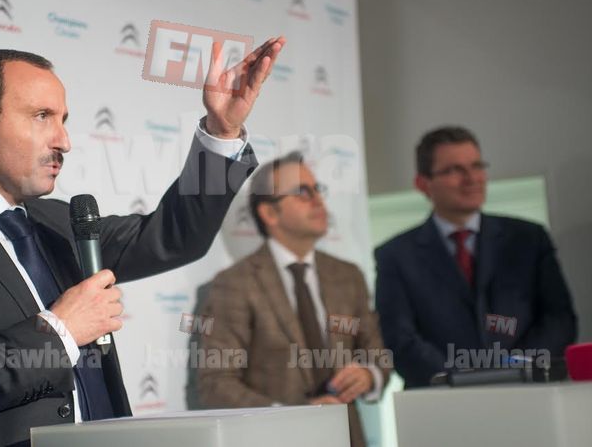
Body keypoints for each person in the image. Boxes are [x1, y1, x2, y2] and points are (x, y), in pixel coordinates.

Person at [0, 37, 285, 446]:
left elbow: (173, 236)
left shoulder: (61, 223)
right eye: (42, 116)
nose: (64, 141)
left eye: (64, 120)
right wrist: (60, 331)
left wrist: (221, 133)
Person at [196, 152, 390, 447]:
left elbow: (378, 356)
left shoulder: (348, 276)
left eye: (317, 189)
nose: (318, 200)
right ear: (269, 213)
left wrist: (368, 374)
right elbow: (216, 382)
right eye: (302, 192)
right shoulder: (234, 284)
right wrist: (288, 418)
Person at [375, 126, 577, 388]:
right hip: (441, 400)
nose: (471, 178)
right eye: (454, 170)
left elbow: (558, 320)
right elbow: (400, 339)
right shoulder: (395, 255)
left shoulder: (529, 238)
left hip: (528, 392)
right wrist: (462, 381)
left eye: (477, 166)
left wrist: (514, 371)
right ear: (423, 184)